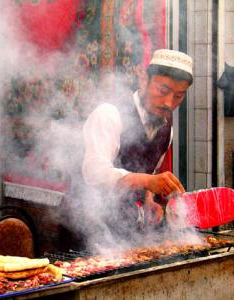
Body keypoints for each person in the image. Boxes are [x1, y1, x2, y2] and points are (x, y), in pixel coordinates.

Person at [81, 49, 193, 238]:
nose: (168, 103)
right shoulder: (110, 113)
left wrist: (149, 199)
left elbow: (148, 173)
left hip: (124, 229)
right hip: (85, 225)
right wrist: (149, 182)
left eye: (178, 96)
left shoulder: (167, 131)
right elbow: (94, 172)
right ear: (143, 79)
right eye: (163, 91)